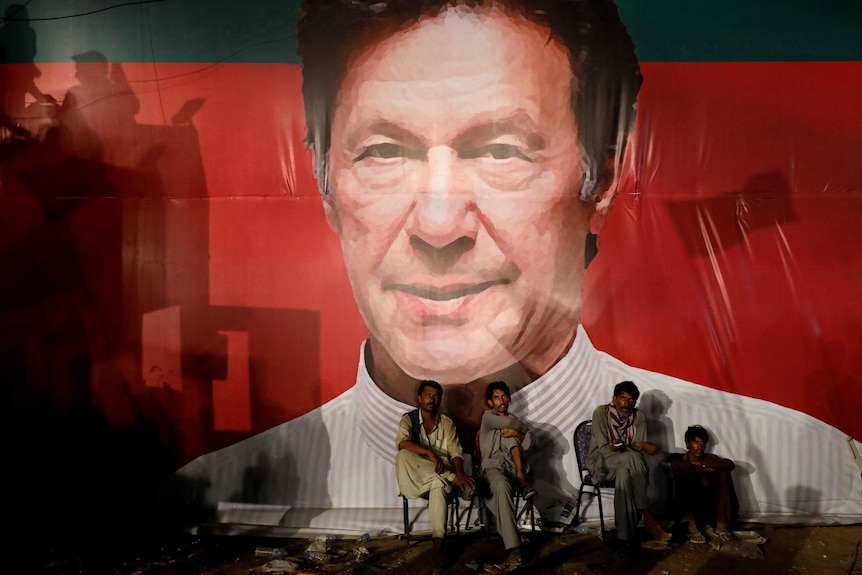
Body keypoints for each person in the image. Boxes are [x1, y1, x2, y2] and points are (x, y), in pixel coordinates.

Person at [162, 0, 862, 533]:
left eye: (500, 150)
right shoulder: (206, 505)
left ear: (604, 175)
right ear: (324, 184)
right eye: (383, 151)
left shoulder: (817, 476)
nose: (438, 225)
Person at [586, 381, 670, 550]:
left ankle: (623, 537)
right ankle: (647, 515)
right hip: (601, 465)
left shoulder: (638, 418)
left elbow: (636, 454)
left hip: (625, 465)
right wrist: (640, 445)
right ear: (614, 398)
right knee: (631, 457)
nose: (626, 403)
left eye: (631, 400)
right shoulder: (601, 413)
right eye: (622, 398)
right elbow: (604, 449)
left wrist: (632, 446)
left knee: (625, 474)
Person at [395, 380, 475, 551]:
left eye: (436, 396)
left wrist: (460, 473)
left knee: (438, 484)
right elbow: (402, 443)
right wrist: (428, 453)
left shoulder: (447, 423)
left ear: (440, 400)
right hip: (417, 477)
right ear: (420, 398)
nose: (431, 399)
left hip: (440, 475)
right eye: (428, 395)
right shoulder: (409, 419)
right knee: (403, 455)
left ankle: (439, 542)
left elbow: (455, 452)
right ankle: (453, 479)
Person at [478, 382, 536, 568]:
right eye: (496, 397)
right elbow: (515, 426)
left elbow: (533, 444)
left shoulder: (513, 421)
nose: (501, 401)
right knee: (502, 485)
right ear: (490, 402)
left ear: (510, 398)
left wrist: (518, 435)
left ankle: (520, 476)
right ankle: (514, 547)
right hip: (493, 469)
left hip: (512, 467)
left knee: (510, 435)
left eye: (504, 396)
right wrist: (521, 431)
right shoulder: (488, 418)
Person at [670, 425, 739, 544]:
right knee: (686, 474)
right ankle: (691, 526)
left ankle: (722, 526)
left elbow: (729, 464)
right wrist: (698, 469)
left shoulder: (709, 458)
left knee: (723, 473)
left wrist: (703, 465)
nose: (699, 447)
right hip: (689, 508)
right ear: (687, 444)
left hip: (710, 508)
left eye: (702, 443)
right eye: (695, 442)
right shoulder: (679, 458)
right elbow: (676, 465)